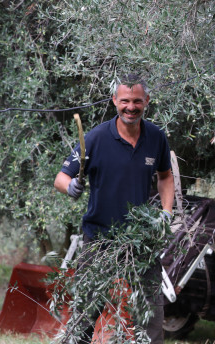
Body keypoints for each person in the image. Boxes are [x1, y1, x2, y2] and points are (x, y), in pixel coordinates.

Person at [54, 74, 174, 344]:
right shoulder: (96, 139)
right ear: (114, 101)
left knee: (151, 314)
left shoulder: (156, 137)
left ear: (147, 101)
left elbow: (165, 175)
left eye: (137, 101)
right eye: (125, 101)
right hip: (100, 241)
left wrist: (166, 212)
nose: (131, 107)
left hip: (140, 240)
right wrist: (70, 186)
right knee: (85, 315)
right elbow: (61, 178)